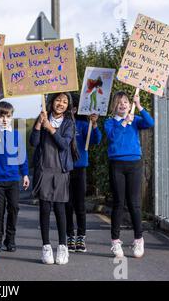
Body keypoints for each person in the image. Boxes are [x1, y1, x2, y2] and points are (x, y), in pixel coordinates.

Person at [30, 92, 79, 265]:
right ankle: (46, 247)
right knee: (44, 209)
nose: (61, 104)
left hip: (61, 171)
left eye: (65, 101)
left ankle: (63, 247)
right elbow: (33, 143)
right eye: (58, 100)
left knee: (60, 210)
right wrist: (38, 124)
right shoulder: (42, 118)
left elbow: (64, 144)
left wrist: (50, 128)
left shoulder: (68, 123)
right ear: (51, 102)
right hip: (44, 170)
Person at [104, 91, 154, 258]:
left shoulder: (135, 120)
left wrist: (139, 106)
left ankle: (139, 239)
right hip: (117, 164)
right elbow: (113, 137)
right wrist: (124, 122)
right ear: (114, 106)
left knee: (134, 203)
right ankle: (115, 242)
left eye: (126, 102)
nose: (123, 104)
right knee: (119, 202)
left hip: (134, 163)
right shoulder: (110, 123)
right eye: (119, 102)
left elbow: (150, 122)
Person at [0, 102, 30, 253]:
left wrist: (25, 174)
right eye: (1, 116)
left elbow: (22, 157)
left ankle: (10, 240)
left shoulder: (16, 135)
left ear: (12, 117)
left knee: (13, 209)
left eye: (8, 116)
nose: (4, 119)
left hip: (12, 179)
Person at [66, 94, 102, 253]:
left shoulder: (83, 124)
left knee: (80, 205)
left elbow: (96, 140)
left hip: (80, 169)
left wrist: (94, 124)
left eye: (71, 107)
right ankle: (69, 236)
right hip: (64, 169)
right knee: (67, 205)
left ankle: (81, 236)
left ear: (75, 109)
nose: (69, 110)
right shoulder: (60, 125)